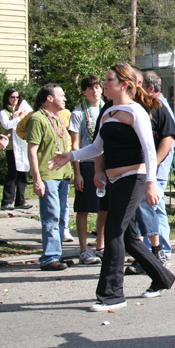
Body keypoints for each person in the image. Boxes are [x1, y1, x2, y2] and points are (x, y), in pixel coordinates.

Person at [51, 63, 175, 310]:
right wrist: (70, 155)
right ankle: (162, 277)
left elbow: (150, 151)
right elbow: (97, 147)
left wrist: (151, 183)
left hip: (135, 177)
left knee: (113, 231)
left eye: (109, 80)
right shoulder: (108, 112)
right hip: (115, 181)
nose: (104, 84)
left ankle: (112, 295)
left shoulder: (136, 111)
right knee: (128, 237)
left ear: (124, 84)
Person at [126, 71, 175, 274]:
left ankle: (160, 252)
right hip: (136, 169)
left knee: (154, 207)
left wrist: (154, 165)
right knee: (142, 210)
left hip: (154, 168)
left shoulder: (158, 106)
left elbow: (168, 139)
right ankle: (146, 253)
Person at [27, 84, 73, 271]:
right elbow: (32, 150)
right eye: (61, 95)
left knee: (61, 216)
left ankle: (57, 254)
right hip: (48, 175)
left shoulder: (60, 118)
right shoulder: (37, 119)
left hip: (62, 174)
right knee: (51, 216)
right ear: (49, 98)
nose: (65, 98)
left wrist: (70, 172)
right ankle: (49, 258)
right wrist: (37, 178)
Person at [67, 76, 104, 264]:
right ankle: (83, 248)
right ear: (84, 92)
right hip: (86, 164)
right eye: (90, 88)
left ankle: (101, 245)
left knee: (104, 208)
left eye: (97, 87)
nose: (95, 91)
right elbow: (75, 144)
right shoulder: (78, 113)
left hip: (105, 164)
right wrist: (77, 173)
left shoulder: (108, 108)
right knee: (83, 208)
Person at [1, 87, 31, 210]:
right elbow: (7, 125)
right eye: (12, 97)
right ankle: (7, 201)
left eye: (17, 97)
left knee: (23, 173)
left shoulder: (21, 109)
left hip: (22, 146)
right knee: (12, 173)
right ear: (7, 98)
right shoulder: (3, 112)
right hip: (11, 147)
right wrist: (18, 117)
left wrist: (21, 115)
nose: (15, 100)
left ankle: (20, 200)